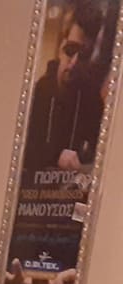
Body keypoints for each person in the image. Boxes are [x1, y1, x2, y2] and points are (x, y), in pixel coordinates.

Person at [23, 2, 105, 172]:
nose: (74, 62)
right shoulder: (38, 93)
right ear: (61, 45)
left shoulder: (91, 100)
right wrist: (54, 157)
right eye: (70, 49)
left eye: (83, 55)